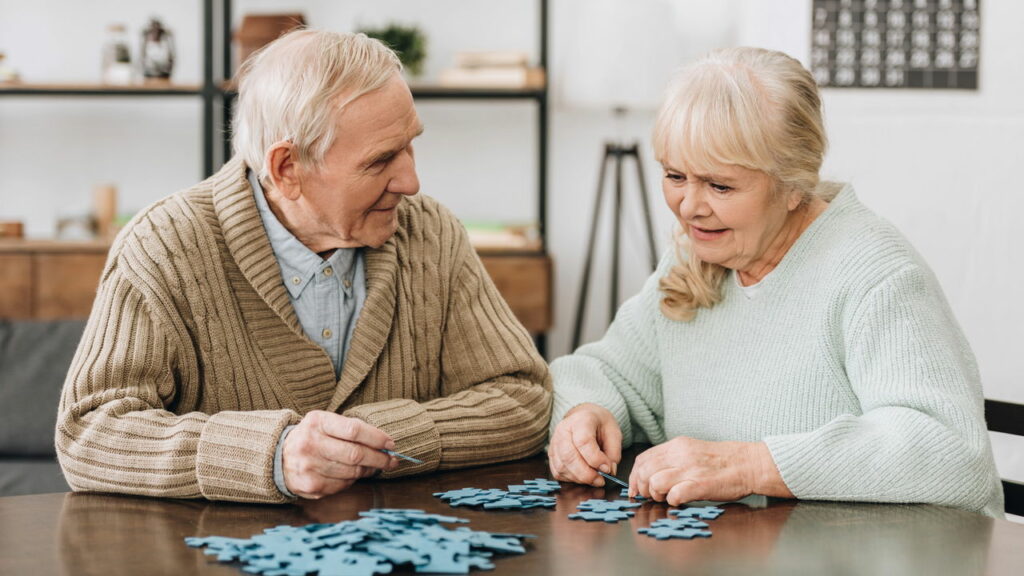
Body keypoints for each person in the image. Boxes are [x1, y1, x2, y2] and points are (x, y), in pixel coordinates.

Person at [56, 29, 551, 503]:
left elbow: (525, 398)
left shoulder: (432, 233)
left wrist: (374, 442)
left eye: (410, 144)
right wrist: (273, 454)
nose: (411, 181)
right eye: (381, 161)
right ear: (286, 168)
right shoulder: (164, 246)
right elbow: (89, 433)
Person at [547, 47, 1003, 517]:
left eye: (719, 186)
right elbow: (604, 371)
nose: (689, 207)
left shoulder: (876, 273)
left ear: (793, 184)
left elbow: (950, 450)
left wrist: (751, 465)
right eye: (674, 175)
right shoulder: (699, 257)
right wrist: (585, 413)